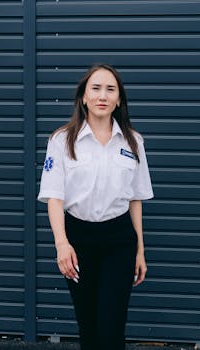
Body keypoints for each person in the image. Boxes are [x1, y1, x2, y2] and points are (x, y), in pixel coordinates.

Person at [37, 63, 154, 350]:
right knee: (88, 324)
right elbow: (54, 196)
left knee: (112, 324)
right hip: (79, 239)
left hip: (119, 240)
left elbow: (135, 198)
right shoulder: (62, 141)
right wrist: (62, 245)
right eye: (96, 88)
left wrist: (140, 250)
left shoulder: (133, 142)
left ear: (119, 100)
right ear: (84, 97)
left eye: (110, 89)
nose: (103, 95)